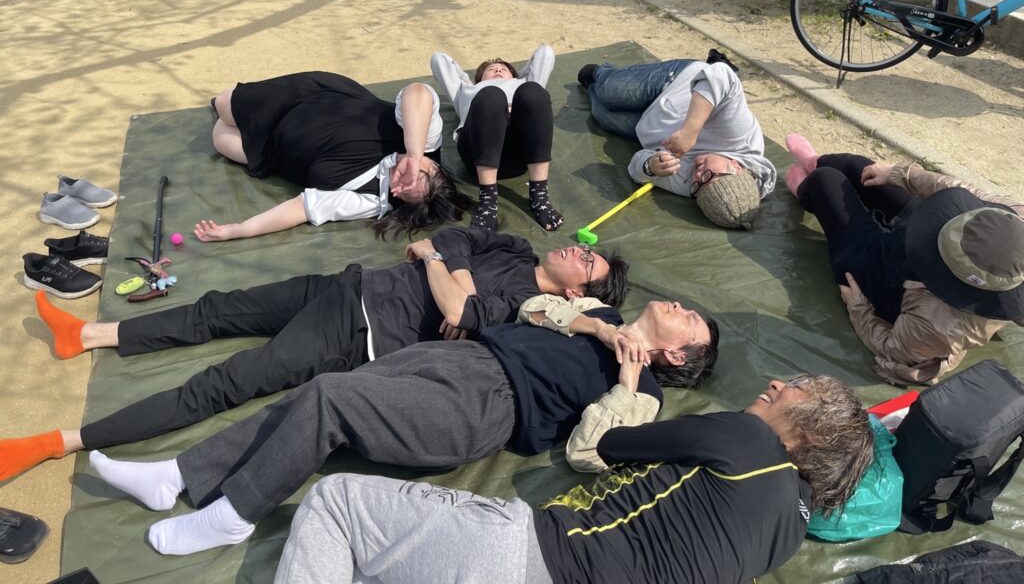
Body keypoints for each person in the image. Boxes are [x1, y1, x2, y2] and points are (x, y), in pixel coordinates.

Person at [85, 295, 720, 556]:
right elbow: (534, 307)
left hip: (487, 408)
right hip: (460, 357)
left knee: (330, 396)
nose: (681, 306)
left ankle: (235, 514)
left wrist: (627, 380)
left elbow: (592, 451)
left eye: (690, 321)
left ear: (675, 354)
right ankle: (177, 476)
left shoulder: (645, 393)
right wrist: (595, 328)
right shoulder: (600, 313)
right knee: (310, 395)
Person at [0, 229, 628, 481]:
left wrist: (443, 270)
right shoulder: (515, 249)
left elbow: (462, 313)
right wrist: (447, 264)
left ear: (580, 292)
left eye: (588, 260)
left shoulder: (526, 309)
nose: (577, 249)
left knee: (227, 381)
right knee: (217, 308)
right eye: (583, 246)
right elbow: (449, 238)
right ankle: (88, 335)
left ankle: (61, 441)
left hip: (358, 333)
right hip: (348, 284)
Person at [271, 374, 872, 584]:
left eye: (798, 389)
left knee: (336, 500)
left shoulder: (748, 438)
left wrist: (630, 390)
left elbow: (609, 445)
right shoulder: (789, 536)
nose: (777, 384)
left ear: (812, 435)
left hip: (531, 558)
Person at [784, 133, 1024, 385]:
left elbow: (893, 348)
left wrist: (859, 307)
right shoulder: (1013, 219)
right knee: (858, 169)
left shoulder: (938, 323)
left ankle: (806, 188)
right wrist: (899, 174)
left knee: (826, 182)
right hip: (921, 234)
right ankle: (814, 162)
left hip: (885, 278)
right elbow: (963, 191)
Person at [194, 72, 472, 242]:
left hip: (275, 150)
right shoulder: (424, 139)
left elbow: (302, 209)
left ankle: (238, 117)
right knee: (224, 105)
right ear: (433, 164)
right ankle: (228, 104)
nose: (401, 184)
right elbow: (417, 92)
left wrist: (239, 230)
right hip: (309, 98)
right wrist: (413, 154)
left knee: (220, 138)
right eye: (417, 175)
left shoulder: (373, 200)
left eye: (403, 193)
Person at [578, 50, 776, 229]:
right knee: (610, 91)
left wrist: (650, 166)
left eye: (697, 187)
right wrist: (690, 130)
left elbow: (637, 168)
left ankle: (593, 86)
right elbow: (722, 74)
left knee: (601, 113)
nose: (697, 175)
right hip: (677, 84)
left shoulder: (694, 187)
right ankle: (601, 73)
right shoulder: (738, 135)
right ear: (736, 166)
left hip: (649, 125)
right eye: (708, 175)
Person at [431, 44, 564, 232]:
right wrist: (469, 81)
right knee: (491, 95)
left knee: (533, 91)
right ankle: (488, 201)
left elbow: (546, 53)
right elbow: (439, 59)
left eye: (503, 69)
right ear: (479, 78)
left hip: (520, 150)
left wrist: (519, 77)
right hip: (478, 149)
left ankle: (540, 197)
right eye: (491, 69)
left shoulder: (523, 83)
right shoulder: (467, 90)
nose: (498, 70)